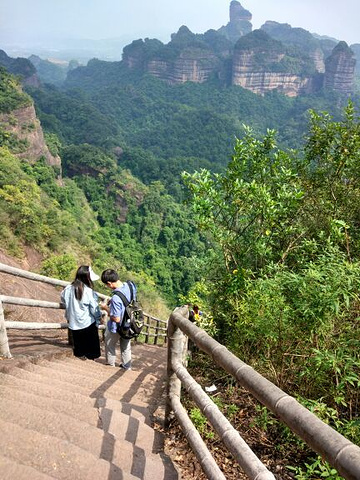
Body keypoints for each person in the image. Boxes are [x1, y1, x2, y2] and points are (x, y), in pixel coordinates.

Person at [60, 265, 101, 360]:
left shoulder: (67, 289)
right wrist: (98, 319)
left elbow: (62, 299)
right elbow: (94, 309)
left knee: (79, 351)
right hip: (88, 323)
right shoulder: (89, 291)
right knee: (91, 353)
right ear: (87, 278)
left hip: (73, 323)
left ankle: (80, 358)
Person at [101, 268, 136, 370]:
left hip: (117, 326)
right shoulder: (130, 285)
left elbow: (116, 318)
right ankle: (126, 366)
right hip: (129, 323)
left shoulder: (116, 298)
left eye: (107, 285)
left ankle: (110, 365)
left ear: (109, 283)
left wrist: (106, 308)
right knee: (126, 346)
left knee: (110, 344)